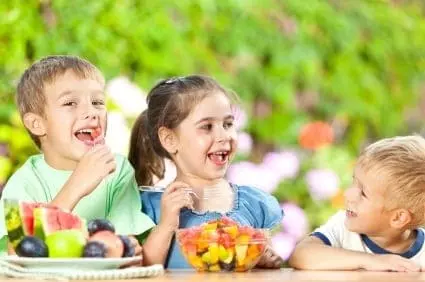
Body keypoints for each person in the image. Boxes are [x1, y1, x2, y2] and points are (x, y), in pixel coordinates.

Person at [0, 55, 165, 265]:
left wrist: (128, 248)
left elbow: (124, 250)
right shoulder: (21, 182)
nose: (91, 112)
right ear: (37, 124)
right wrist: (76, 186)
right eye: (70, 103)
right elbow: (19, 254)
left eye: (97, 102)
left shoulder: (118, 169)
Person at [128, 75, 284, 269]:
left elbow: (268, 263)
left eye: (228, 124)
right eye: (207, 127)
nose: (223, 136)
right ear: (169, 139)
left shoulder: (253, 204)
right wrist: (166, 225)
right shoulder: (152, 207)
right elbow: (144, 267)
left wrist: (265, 259)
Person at [289, 135, 425, 272]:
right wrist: (370, 260)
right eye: (353, 181)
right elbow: (300, 255)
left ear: (398, 217)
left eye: (363, 193)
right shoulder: (342, 229)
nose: (348, 194)